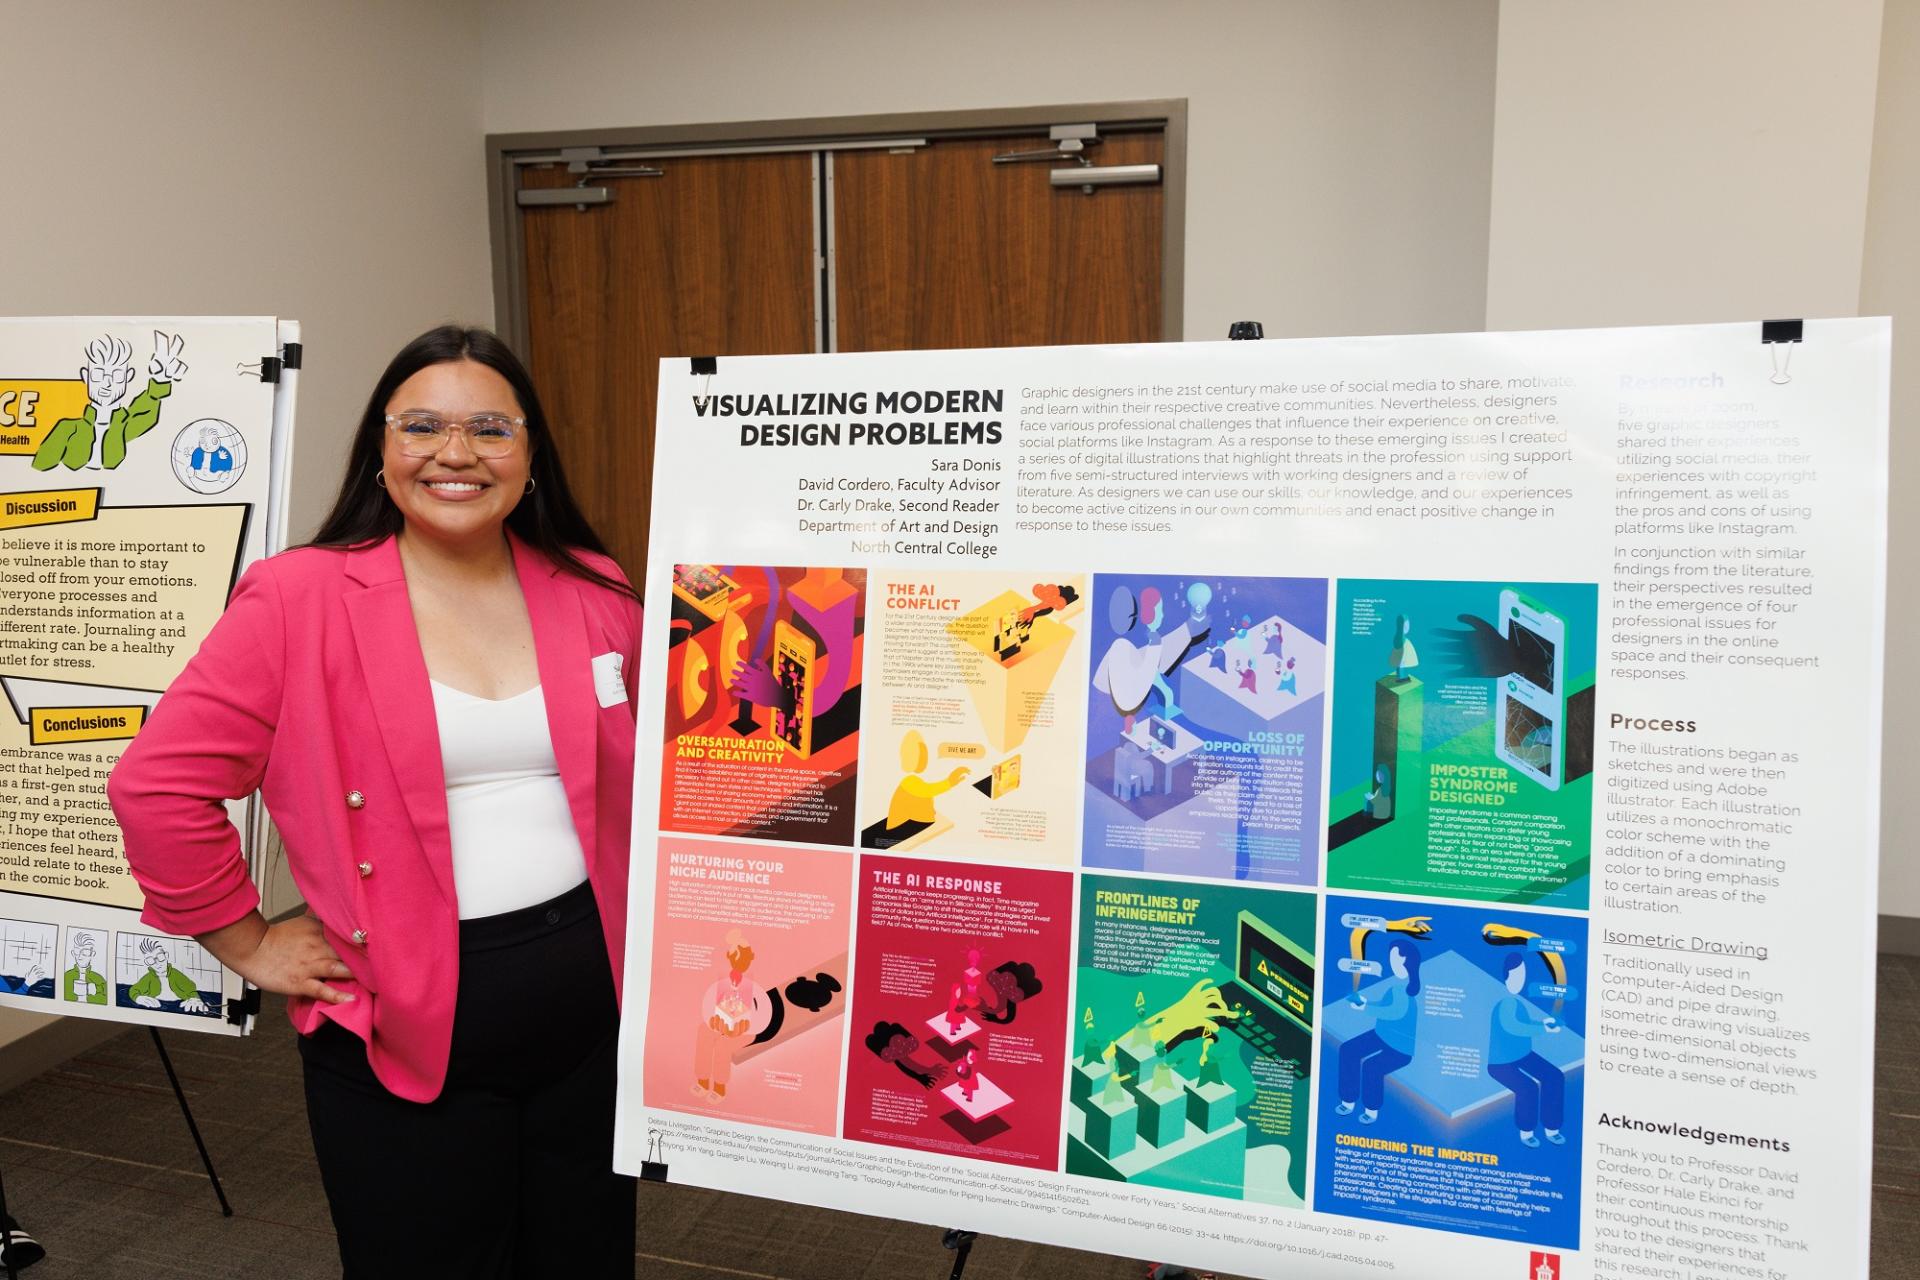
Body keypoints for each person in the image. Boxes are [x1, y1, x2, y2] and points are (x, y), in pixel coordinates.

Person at [108, 325, 642, 1278]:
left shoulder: (593, 590)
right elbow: (158, 785)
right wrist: (247, 941)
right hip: (399, 1023)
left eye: (490, 426)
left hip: (593, 1013)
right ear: (381, 450)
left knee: (585, 1258)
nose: (456, 452)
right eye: (422, 426)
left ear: (530, 453)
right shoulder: (299, 598)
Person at [1334, 940, 1422, 1124]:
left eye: (1395, 959)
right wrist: (1365, 1003)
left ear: (1406, 961)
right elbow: (1384, 1007)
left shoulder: (1406, 992)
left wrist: (1366, 1007)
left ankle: (1371, 1110)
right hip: (1382, 1035)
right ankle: (1348, 1100)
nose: (1392, 963)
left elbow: (1393, 1013)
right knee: (1348, 1049)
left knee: (1372, 1067)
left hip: (1400, 1048)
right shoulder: (1395, 988)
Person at [1487, 954, 1567, 1148]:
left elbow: (1524, 1024)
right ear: (1506, 977)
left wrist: (1542, 1023)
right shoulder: (1506, 1003)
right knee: (1528, 1088)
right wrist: (1543, 1028)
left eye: (1522, 975)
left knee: (1555, 1076)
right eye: (1515, 976)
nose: (1519, 980)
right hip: (1501, 1063)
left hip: (1523, 1054)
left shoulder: (1517, 1002)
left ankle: (1552, 1128)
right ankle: (1527, 1132)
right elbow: (1514, 1027)